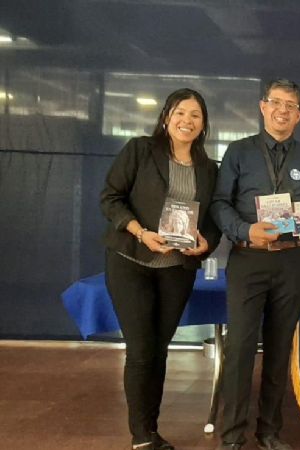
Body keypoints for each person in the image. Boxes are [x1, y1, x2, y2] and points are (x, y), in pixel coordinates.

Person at [100, 88, 220, 450]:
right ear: (167, 117)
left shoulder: (209, 169)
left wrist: (206, 244)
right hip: (132, 261)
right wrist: (140, 232)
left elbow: (213, 219)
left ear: (203, 124)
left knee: (159, 350)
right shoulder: (140, 149)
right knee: (140, 349)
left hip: (177, 269)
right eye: (180, 112)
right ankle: (141, 437)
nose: (187, 120)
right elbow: (110, 198)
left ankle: (151, 429)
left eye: (195, 115)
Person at [211, 78, 300, 450]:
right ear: (263, 107)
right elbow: (218, 204)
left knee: (279, 349)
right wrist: (245, 231)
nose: (282, 111)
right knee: (241, 349)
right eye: (276, 102)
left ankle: (269, 431)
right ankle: (231, 435)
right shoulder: (239, 152)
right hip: (248, 259)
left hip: (293, 263)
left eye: (290, 106)